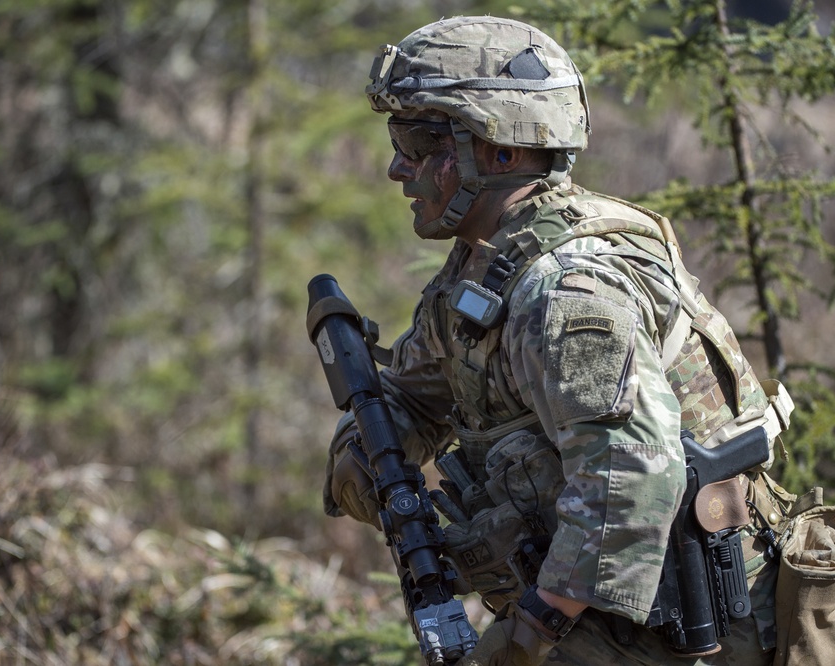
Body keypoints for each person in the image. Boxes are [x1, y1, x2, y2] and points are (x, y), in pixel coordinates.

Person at [323, 15, 799, 665]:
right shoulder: (486, 267)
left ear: (500, 150)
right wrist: (369, 455)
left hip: (688, 635)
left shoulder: (566, 292)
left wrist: (526, 637)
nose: (396, 169)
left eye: (417, 141)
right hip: (604, 617)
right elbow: (420, 390)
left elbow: (631, 477)